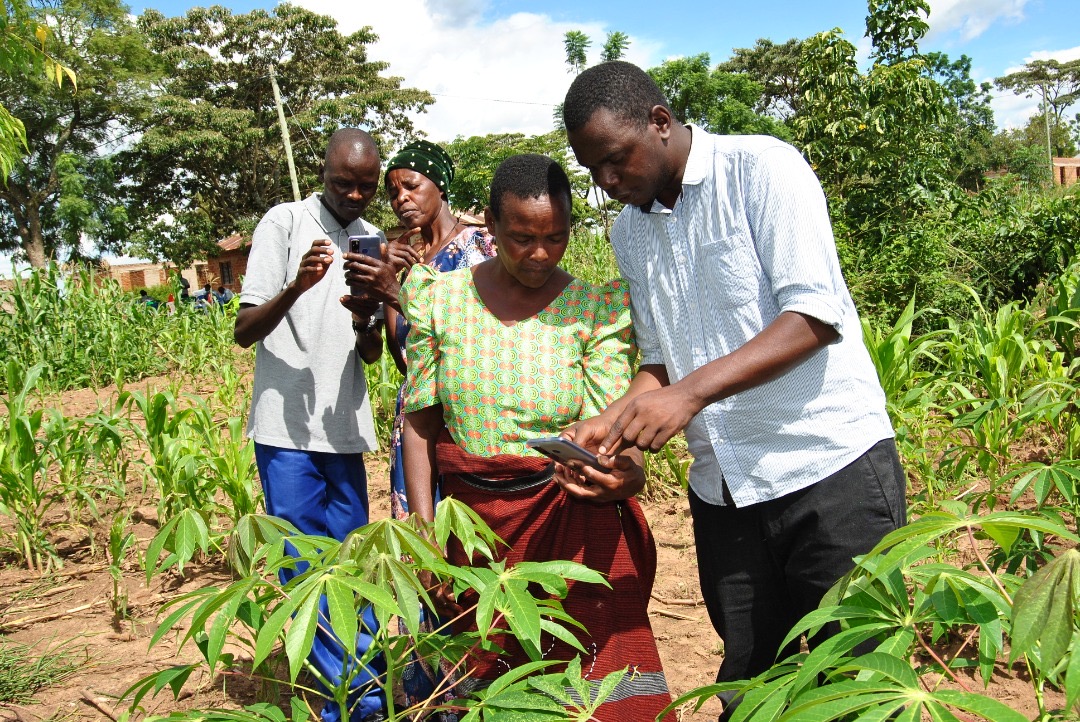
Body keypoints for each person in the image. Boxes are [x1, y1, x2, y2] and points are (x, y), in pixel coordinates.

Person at [561, 61, 907, 721]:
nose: (606, 181)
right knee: (751, 686)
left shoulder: (761, 170)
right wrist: (613, 424)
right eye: (592, 169)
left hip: (827, 472)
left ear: (659, 122)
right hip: (726, 491)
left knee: (856, 685)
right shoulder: (629, 231)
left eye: (615, 159)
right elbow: (660, 361)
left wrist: (688, 395)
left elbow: (813, 316)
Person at [401, 154, 674, 722]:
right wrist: (425, 538)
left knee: (590, 689)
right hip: (474, 533)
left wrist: (623, 473)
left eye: (556, 237)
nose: (541, 254)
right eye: (522, 238)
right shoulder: (438, 298)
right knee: (489, 689)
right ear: (491, 226)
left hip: (572, 528)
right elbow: (420, 424)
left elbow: (613, 431)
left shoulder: (595, 309)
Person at [234, 127, 406, 722]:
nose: (354, 196)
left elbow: (371, 354)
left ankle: (363, 685)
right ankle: (352, 703)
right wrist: (296, 287)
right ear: (322, 174)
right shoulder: (283, 223)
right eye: (342, 183)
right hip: (285, 428)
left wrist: (366, 316)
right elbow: (245, 330)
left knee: (352, 565)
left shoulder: (370, 238)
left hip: (343, 427)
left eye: (366, 187)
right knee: (306, 568)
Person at [380, 139, 495, 713]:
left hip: (469, 421)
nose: (401, 198)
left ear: (440, 185)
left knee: (474, 550)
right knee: (424, 551)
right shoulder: (402, 256)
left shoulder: (480, 247)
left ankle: (486, 688)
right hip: (417, 421)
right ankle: (436, 695)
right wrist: (387, 293)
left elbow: (480, 336)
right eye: (393, 191)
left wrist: (399, 293)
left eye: (412, 185)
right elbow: (404, 353)